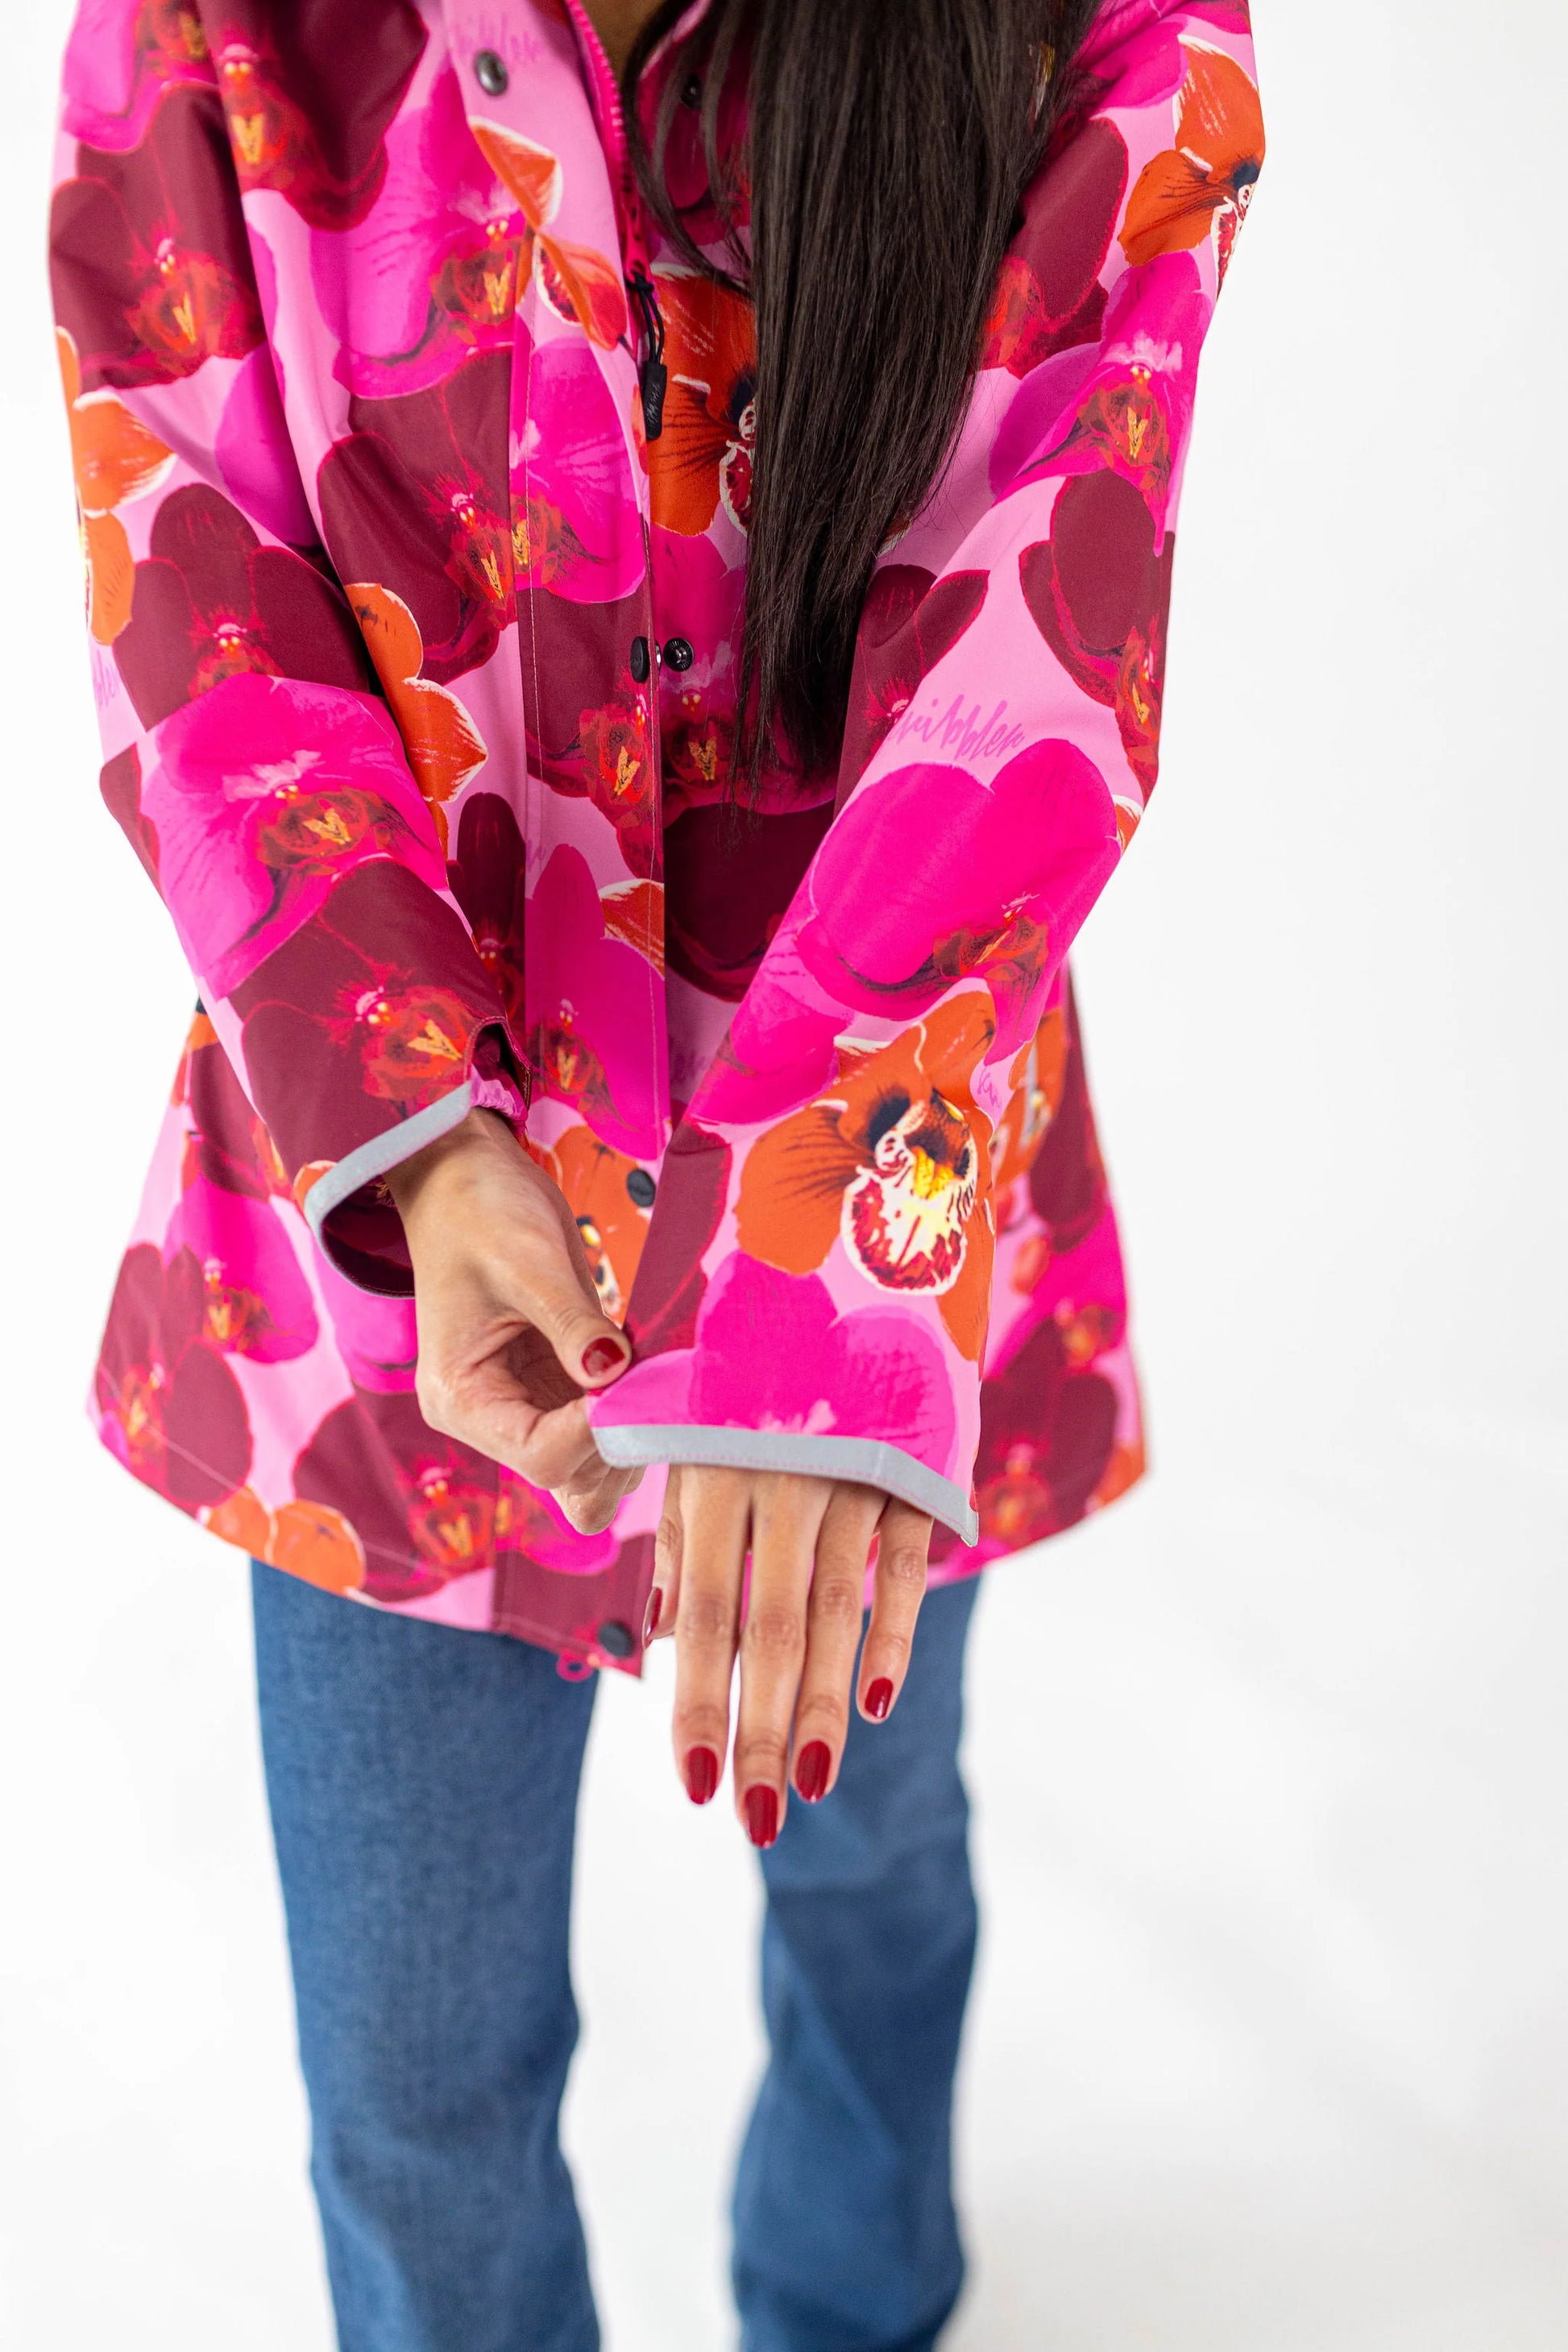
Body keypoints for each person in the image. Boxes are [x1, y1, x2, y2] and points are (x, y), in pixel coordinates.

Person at [49, 0, 1263, 2343]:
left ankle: (857, 2294)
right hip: (393, 1258)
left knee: (875, 1873)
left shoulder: (1100, 29)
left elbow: (1051, 609)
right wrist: (419, 1137)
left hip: (885, 1224)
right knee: (414, 2085)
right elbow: (190, 559)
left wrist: (807, 1281)